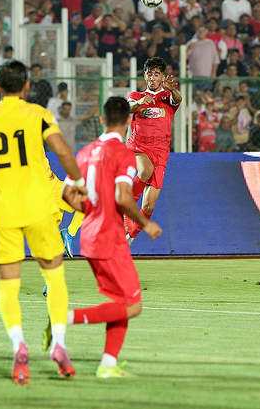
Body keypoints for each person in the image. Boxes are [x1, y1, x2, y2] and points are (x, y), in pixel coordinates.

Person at [0, 60, 86, 385]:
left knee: (8, 285)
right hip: (39, 207)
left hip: (3, 212)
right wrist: (78, 181)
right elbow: (63, 151)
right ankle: (59, 344)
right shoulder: (38, 115)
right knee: (55, 276)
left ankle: (19, 345)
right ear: (27, 86)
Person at [61, 96, 163, 378]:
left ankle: (108, 364)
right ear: (129, 120)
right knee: (133, 306)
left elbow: (66, 193)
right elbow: (123, 197)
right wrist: (146, 224)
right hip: (110, 237)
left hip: (89, 238)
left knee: (119, 303)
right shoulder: (124, 154)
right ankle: (64, 318)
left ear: (102, 120)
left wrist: (89, 208)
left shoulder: (84, 153)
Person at [124, 57, 182, 244]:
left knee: (149, 206)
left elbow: (178, 99)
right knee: (145, 170)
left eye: (157, 74)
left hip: (161, 152)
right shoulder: (136, 95)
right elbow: (128, 107)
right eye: (149, 74)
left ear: (163, 77)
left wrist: (172, 89)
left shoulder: (167, 97)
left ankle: (130, 236)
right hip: (139, 146)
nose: (152, 77)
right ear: (144, 76)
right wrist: (140, 103)